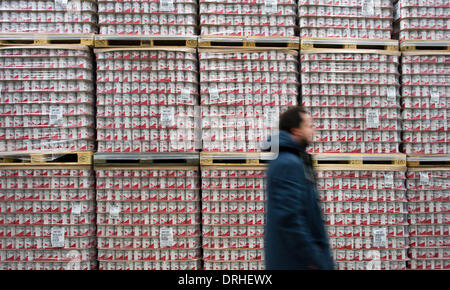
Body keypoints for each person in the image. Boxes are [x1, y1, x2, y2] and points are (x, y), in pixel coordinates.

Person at [265, 107, 334, 270]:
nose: (313, 131)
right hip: (295, 262)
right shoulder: (287, 162)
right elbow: (289, 218)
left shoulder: (292, 159)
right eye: (309, 126)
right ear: (296, 131)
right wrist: (312, 258)